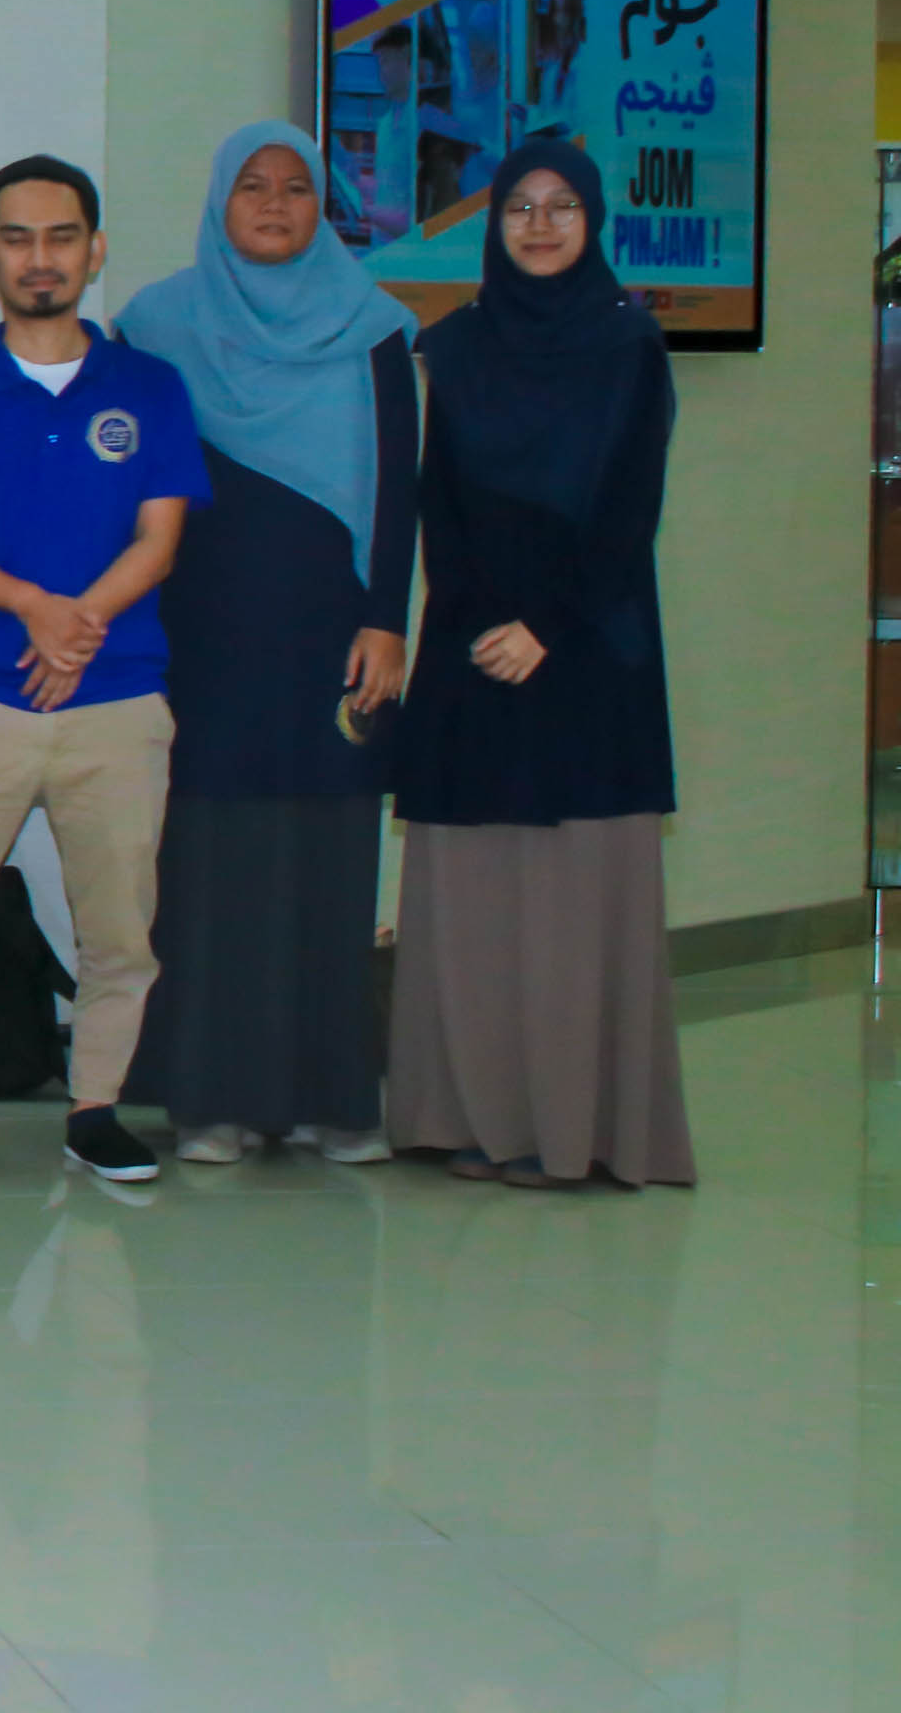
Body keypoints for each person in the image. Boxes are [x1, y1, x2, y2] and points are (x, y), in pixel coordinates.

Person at [0, 157, 209, 1187]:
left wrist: (84, 625)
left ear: (94, 249)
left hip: (117, 698)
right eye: (17, 238)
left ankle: (99, 1106)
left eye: (61, 236)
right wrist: (38, 611)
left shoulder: (151, 387)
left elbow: (159, 540)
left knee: (122, 928)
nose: (40, 257)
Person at [386, 138, 694, 1188]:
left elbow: (627, 512)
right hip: (474, 645)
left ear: (594, 218)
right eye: (521, 205)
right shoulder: (458, 345)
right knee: (475, 900)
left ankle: (576, 1131)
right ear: (494, 221)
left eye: (564, 205)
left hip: (589, 654)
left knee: (572, 906)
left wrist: (547, 627)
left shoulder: (627, 345)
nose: (542, 224)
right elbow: (440, 500)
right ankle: (469, 1115)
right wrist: (479, 624)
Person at [118, 124, 417, 1166]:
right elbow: (130, 490)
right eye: (254, 186)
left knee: (331, 858)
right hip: (202, 632)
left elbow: (398, 481)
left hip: (336, 633)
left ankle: (338, 1102)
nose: (279, 204)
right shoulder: (154, 325)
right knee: (209, 863)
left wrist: (389, 618)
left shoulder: (375, 326)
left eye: (299, 188)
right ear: (220, 200)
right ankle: (212, 1100)